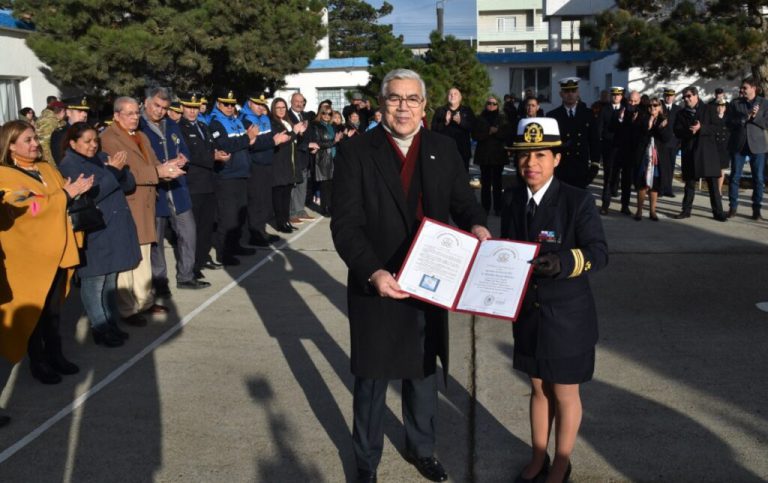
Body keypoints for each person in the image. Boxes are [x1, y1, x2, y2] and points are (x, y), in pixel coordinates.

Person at [331, 68, 489, 483]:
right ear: (381, 104)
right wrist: (373, 272)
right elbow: (345, 224)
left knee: (421, 373)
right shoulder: (356, 152)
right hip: (378, 282)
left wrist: (476, 225)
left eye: (412, 99)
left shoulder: (442, 148)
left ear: (424, 105)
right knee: (372, 379)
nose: (404, 107)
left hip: (430, 279)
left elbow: (463, 201)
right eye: (395, 99)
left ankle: (422, 448)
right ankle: (366, 462)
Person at [500, 117, 607, 483]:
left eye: (541, 155)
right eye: (524, 156)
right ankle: (537, 456)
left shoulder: (577, 200)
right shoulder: (512, 197)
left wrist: (561, 261)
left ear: (557, 159)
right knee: (537, 387)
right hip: (528, 313)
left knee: (563, 390)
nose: (531, 163)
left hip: (567, 316)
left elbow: (599, 251)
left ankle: (561, 461)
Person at [0, 120, 94, 383]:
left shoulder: (45, 169)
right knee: (34, 314)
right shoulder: (4, 176)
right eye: (28, 140)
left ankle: (56, 355)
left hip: (57, 251)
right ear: (10, 147)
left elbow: (61, 195)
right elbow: (28, 210)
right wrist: (65, 194)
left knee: (54, 311)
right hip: (29, 259)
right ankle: (38, 363)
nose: (35, 144)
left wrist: (77, 190)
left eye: (34, 139)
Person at [101, 97, 183, 326]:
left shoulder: (141, 135)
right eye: (129, 113)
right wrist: (158, 171)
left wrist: (170, 166)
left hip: (146, 204)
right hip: (128, 204)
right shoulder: (108, 138)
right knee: (129, 257)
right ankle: (128, 309)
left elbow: (154, 162)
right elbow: (127, 173)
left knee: (145, 254)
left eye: (137, 113)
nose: (135, 117)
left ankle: (145, 301)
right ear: (116, 115)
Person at [58, 122, 141, 347]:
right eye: (87, 141)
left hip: (112, 227)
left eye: (95, 140)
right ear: (73, 143)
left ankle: (111, 323)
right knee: (94, 282)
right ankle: (99, 327)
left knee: (110, 281)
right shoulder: (69, 165)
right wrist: (113, 171)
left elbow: (128, 185)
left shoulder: (102, 156)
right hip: (93, 231)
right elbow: (92, 194)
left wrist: (121, 170)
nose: (93, 145)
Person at [139, 87, 208, 291]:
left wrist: (183, 159)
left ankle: (186, 276)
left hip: (178, 189)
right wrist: (160, 168)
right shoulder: (139, 126)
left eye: (164, 108)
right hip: (156, 192)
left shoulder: (171, 124)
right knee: (156, 241)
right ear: (146, 102)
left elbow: (184, 148)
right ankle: (160, 281)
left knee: (188, 233)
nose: (160, 111)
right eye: (157, 106)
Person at [177, 93, 230, 278]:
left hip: (209, 183)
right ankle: (192, 268)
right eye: (189, 107)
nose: (192, 111)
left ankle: (201, 259)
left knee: (207, 226)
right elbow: (188, 155)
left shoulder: (202, 126)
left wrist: (218, 153)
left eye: (195, 107)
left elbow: (210, 146)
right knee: (193, 229)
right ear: (183, 108)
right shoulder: (179, 129)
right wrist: (212, 157)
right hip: (193, 184)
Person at [208, 89, 260, 264]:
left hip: (241, 173)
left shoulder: (235, 120)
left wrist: (249, 141)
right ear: (218, 104)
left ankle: (235, 245)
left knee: (239, 215)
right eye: (226, 104)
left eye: (232, 104)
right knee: (227, 217)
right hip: (226, 176)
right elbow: (225, 145)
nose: (230, 107)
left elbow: (242, 144)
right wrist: (247, 138)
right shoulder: (215, 123)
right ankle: (223, 253)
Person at [239, 93, 291, 244]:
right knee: (256, 201)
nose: (261, 107)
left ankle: (261, 231)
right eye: (257, 104)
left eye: (262, 104)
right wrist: (273, 142)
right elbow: (253, 144)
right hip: (255, 165)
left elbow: (269, 137)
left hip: (267, 163)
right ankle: (255, 234)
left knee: (264, 202)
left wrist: (275, 139)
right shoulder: (246, 119)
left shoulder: (264, 118)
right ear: (249, 103)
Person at [672, 86, 728, 221]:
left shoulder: (708, 109)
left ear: (696, 95)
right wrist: (689, 130)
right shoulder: (681, 113)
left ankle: (718, 212)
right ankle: (686, 210)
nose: (686, 99)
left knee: (713, 184)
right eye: (684, 97)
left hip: (706, 152)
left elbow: (717, 127)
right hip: (690, 151)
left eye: (689, 96)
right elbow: (677, 131)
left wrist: (701, 128)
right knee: (690, 184)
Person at [726, 76, 767, 220]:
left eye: (745, 88)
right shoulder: (735, 103)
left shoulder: (764, 103)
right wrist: (745, 118)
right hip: (739, 145)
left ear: (753, 88)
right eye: (741, 87)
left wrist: (755, 117)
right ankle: (733, 208)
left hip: (758, 145)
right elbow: (728, 123)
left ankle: (756, 210)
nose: (741, 90)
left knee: (759, 179)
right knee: (735, 177)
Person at [547, 78, 599, 189]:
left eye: (573, 91)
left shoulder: (588, 114)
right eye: (566, 91)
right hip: (561, 168)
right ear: (561, 94)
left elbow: (594, 141)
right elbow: (549, 146)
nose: (570, 94)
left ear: (578, 93)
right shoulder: (552, 116)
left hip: (581, 168)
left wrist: (594, 165)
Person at [270, 97, 309, 233]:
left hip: (290, 162)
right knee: (279, 195)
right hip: (279, 163)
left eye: (283, 107)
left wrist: (299, 132)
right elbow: (283, 140)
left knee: (287, 194)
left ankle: (286, 220)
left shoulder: (287, 121)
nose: (281, 110)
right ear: (273, 109)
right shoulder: (273, 123)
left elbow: (294, 140)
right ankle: (280, 223)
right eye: (278, 108)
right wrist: (294, 132)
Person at [633, 98, 672, 221]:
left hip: (657, 158)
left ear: (660, 107)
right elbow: (637, 137)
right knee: (642, 183)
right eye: (650, 105)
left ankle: (652, 211)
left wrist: (660, 127)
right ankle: (639, 210)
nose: (653, 107)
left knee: (654, 184)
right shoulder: (642, 118)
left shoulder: (664, 120)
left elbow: (666, 139)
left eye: (656, 105)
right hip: (644, 156)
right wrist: (648, 126)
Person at [472, 95, 512, 215]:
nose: (491, 106)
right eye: (489, 103)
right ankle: (485, 208)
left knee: (497, 183)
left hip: (498, 155)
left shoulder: (502, 118)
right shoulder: (480, 118)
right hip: (484, 155)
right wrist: (488, 132)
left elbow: (508, 133)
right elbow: (475, 135)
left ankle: (498, 208)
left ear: (497, 105)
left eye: (494, 104)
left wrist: (497, 132)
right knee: (485, 183)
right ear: (486, 105)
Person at [287, 92, 316, 223]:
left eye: (301, 101)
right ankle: (291, 212)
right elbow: (290, 137)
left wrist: (314, 145)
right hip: (293, 155)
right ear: (291, 102)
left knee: (302, 184)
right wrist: (307, 145)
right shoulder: (287, 117)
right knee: (293, 185)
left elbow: (309, 135)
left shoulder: (304, 116)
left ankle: (299, 210)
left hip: (305, 157)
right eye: (296, 101)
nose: (299, 104)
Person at [431, 87, 476, 171]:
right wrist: (445, 122)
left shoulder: (467, 110)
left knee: (462, 177)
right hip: (444, 151)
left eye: (455, 94)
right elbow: (433, 130)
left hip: (462, 151)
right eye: (450, 94)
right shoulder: (440, 111)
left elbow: (473, 128)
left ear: (460, 97)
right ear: (447, 97)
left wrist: (460, 122)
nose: (452, 96)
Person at [308, 106, 342, 217]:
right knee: (325, 186)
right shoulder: (316, 126)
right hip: (323, 159)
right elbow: (318, 143)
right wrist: (334, 141)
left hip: (334, 158)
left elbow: (338, 140)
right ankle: (324, 208)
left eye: (329, 114)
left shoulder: (333, 126)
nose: (327, 116)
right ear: (320, 114)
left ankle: (332, 207)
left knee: (333, 186)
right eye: (324, 113)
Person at [51, 97, 91, 164]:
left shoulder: (90, 132)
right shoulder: (60, 134)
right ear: (68, 113)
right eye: (79, 111)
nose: (84, 115)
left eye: (86, 111)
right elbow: (61, 161)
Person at [660, 88, 681, 197]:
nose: (668, 97)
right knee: (661, 166)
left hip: (673, 143)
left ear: (674, 97)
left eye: (671, 96)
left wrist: (679, 143)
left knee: (670, 167)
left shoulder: (678, 109)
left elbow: (680, 126)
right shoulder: (660, 107)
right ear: (664, 96)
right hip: (661, 143)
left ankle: (668, 189)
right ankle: (660, 188)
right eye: (667, 95)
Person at [36, 100, 67, 164]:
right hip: (48, 161)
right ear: (63, 111)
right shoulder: (50, 121)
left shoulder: (44, 118)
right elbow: (45, 145)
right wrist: (52, 165)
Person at [712, 98, 731, 196]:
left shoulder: (728, 119)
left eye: (723, 106)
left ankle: (719, 189)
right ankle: (714, 189)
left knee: (721, 170)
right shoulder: (712, 118)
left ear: (725, 108)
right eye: (719, 106)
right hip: (714, 146)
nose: (720, 108)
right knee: (714, 169)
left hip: (724, 147)